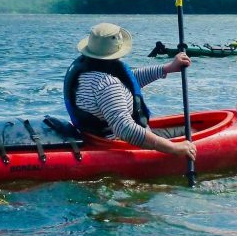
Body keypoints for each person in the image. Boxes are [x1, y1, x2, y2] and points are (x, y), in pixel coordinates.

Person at [63, 22, 197, 161]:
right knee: (193, 132)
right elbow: (125, 129)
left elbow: (129, 81)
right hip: (119, 144)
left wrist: (167, 68)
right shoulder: (107, 84)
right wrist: (173, 148)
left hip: (94, 137)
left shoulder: (89, 71)